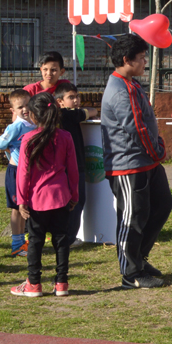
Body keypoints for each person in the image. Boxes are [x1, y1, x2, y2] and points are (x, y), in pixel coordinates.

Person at [101, 35, 171, 289]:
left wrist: (155, 151)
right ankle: (131, 273)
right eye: (141, 58)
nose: (145, 63)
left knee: (162, 205)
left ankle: (139, 258)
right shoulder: (120, 90)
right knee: (132, 218)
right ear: (126, 60)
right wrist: (158, 151)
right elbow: (137, 129)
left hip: (146, 162)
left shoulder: (132, 84)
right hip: (129, 165)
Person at [10, 93, 79, 297]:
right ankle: (61, 283)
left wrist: (21, 200)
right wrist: (74, 195)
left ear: (32, 115)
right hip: (61, 197)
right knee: (61, 240)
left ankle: (34, 283)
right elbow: (73, 170)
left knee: (35, 241)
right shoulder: (65, 136)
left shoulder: (28, 139)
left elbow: (23, 173)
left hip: (36, 200)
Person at [53, 82, 99, 247]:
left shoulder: (62, 115)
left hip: (67, 165)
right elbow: (93, 111)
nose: (76, 100)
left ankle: (64, 235)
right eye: (71, 97)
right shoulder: (67, 114)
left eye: (77, 96)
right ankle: (69, 238)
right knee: (76, 200)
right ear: (60, 102)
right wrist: (89, 112)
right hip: (73, 166)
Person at [0, 89, 35, 257]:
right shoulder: (16, 126)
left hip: (28, 171)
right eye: (20, 107)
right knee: (17, 208)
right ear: (13, 110)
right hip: (16, 170)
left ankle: (23, 242)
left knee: (25, 207)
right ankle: (16, 244)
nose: (25, 109)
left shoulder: (33, 123)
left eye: (27, 105)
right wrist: (10, 147)